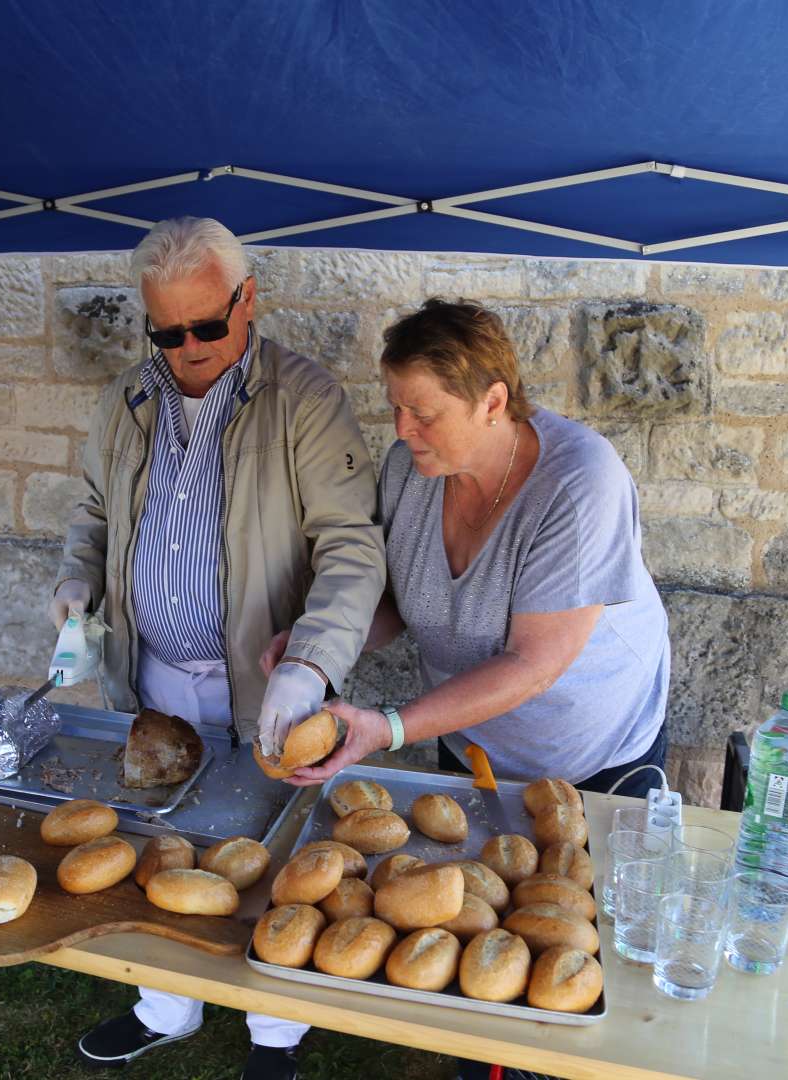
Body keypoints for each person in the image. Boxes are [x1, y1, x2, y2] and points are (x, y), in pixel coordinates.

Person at [265, 298, 669, 1080]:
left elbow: (533, 663)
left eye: (423, 413)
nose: (402, 431)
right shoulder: (412, 472)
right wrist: (317, 651)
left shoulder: (579, 484)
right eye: (396, 408)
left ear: (493, 401)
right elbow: (396, 604)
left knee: (578, 951)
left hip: (592, 750)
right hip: (469, 735)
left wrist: (387, 726)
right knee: (478, 922)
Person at [50, 216, 385, 1080]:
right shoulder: (127, 398)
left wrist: (312, 663)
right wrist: (77, 586)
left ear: (248, 299)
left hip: (265, 682)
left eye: (206, 325)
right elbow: (93, 513)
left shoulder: (303, 399)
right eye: (166, 332)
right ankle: (166, 1004)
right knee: (162, 846)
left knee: (272, 854)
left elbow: (352, 546)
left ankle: (274, 1032)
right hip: (152, 676)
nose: (188, 348)